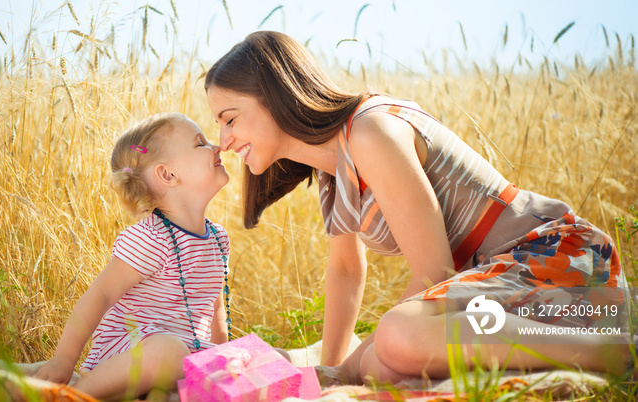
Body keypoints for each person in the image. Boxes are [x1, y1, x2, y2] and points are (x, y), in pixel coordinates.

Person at [204, 31, 630, 385]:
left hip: (557, 262)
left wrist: (346, 370)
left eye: (229, 118)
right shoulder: (333, 172)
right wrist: (330, 373)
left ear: (275, 95)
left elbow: (434, 272)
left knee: (397, 336)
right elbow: (347, 271)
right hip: (495, 291)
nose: (222, 140)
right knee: (380, 361)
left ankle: (616, 352)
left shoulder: (370, 131)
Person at [0, 113, 233, 401]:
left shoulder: (217, 238)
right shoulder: (152, 238)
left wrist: (224, 359)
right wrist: (63, 361)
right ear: (168, 175)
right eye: (201, 143)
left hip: (184, 356)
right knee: (170, 351)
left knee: (267, 356)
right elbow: (100, 295)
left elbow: (215, 311)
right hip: (133, 352)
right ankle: (73, 395)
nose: (217, 146)